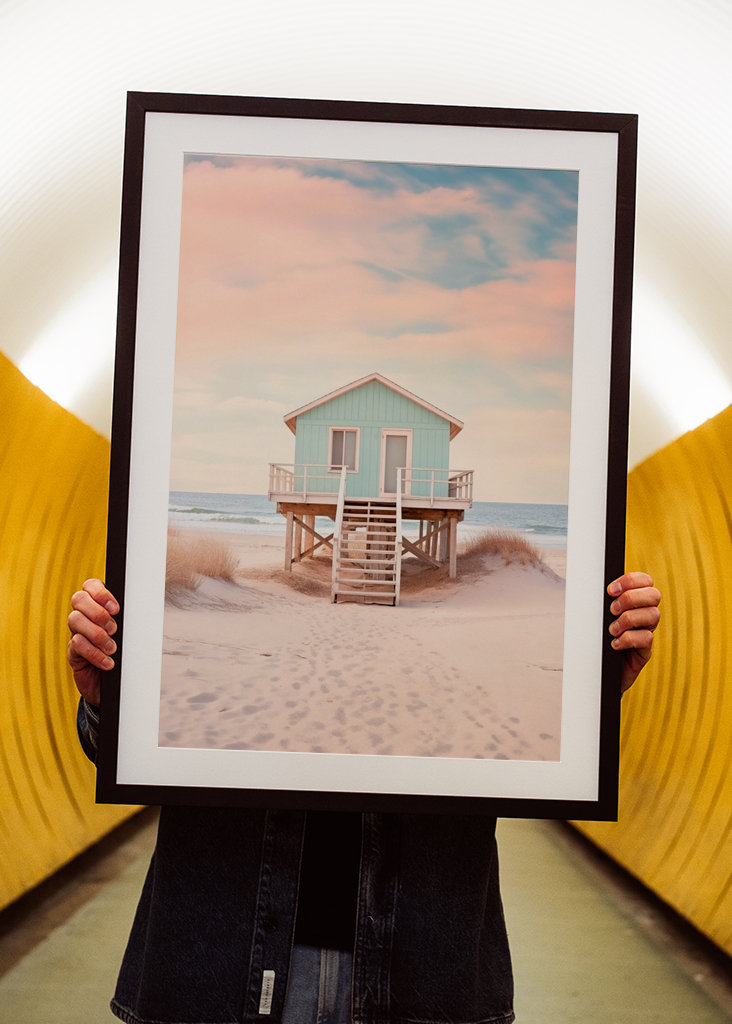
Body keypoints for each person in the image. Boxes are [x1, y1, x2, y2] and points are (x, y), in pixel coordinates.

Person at [68, 572, 661, 1024]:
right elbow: (122, 754)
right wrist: (109, 702)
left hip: (423, 967)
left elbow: (543, 757)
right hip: (219, 959)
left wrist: (591, 695)